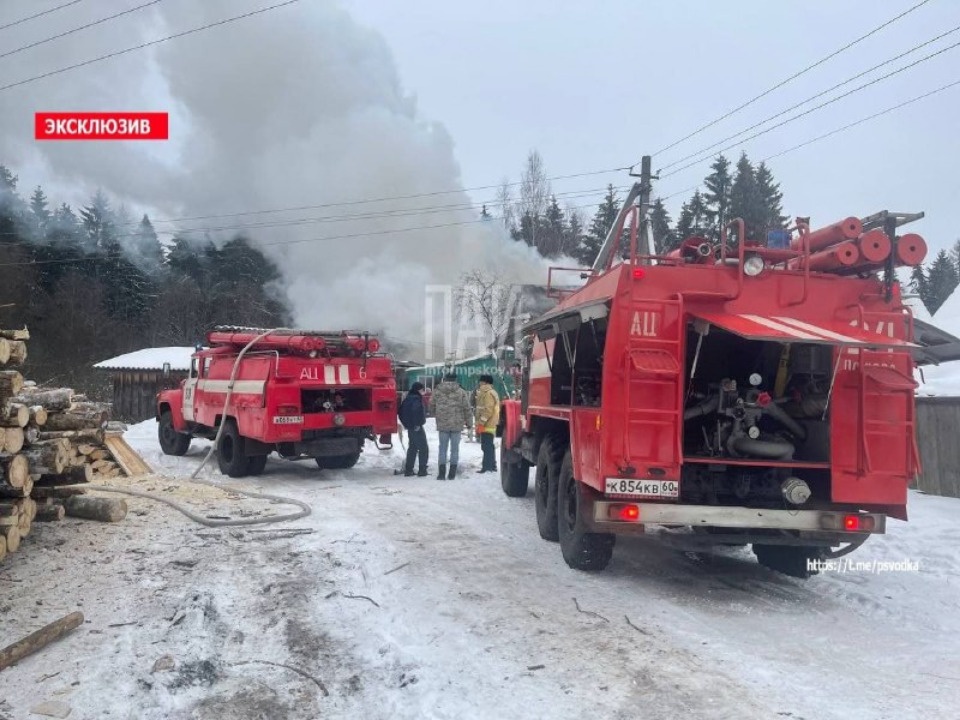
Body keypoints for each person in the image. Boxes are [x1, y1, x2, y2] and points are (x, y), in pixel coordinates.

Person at [429, 373, 471, 480]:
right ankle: (452, 474)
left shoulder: (437, 391)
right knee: (455, 449)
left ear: (445, 379)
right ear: (455, 379)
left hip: (443, 424)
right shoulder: (461, 392)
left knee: (442, 448)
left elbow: (431, 405)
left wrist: (436, 415)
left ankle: (441, 473)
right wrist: (469, 422)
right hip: (457, 424)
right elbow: (467, 408)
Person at [398, 382, 428, 476]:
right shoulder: (416, 399)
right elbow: (416, 412)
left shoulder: (408, 398)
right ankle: (422, 470)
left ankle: (409, 470)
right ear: (418, 390)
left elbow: (400, 412)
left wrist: (406, 424)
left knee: (412, 448)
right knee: (423, 448)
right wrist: (417, 424)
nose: (423, 392)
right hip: (417, 427)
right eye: (422, 390)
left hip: (410, 427)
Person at [475, 374, 500, 473]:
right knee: (489, 445)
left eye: (480, 381)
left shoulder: (487, 393)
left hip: (486, 424)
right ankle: (492, 465)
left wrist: (481, 422)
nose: (479, 383)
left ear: (485, 382)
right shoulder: (490, 392)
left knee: (486, 446)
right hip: (489, 423)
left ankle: (487, 467)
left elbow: (488, 410)